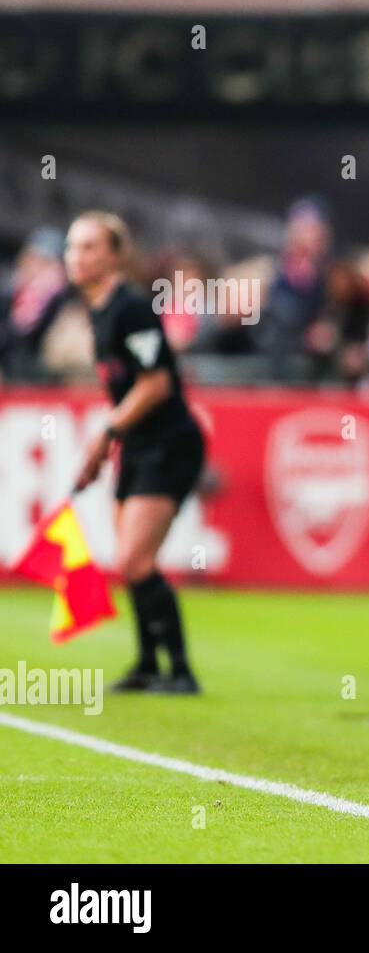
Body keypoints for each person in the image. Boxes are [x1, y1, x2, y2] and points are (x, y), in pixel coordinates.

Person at [67, 211, 205, 694]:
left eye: (88, 247)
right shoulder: (99, 308)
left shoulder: (130, 307)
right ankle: (148, 664)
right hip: (140, 443)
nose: (76, 257)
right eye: (73, 247)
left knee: (134, 560)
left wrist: (106, 431)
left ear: (114, 255)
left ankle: (182, 672)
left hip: (169, 443)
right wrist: (106, 446)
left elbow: (157, 384)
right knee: (129, 563)